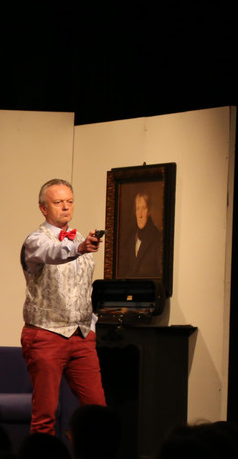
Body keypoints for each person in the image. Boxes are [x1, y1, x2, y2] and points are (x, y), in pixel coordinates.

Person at [20, 178, 106, 435]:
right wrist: (80, 248)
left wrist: (91, 326)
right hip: (47, 334)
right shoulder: (36, 240)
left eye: (69, 201)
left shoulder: (79, 238)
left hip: (81, 335)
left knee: (97, 410)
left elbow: (83, 287)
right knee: (45, 413)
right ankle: (42, 458)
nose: (66, 207)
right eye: (58, 202)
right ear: (43, 208)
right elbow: (53, 252)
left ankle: (90, 455)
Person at [118, 191, 163, 278]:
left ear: (149, 211)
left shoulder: (157, 237)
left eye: (144, 208)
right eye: (138, 209)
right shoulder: (130, 237)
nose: (140, 215)